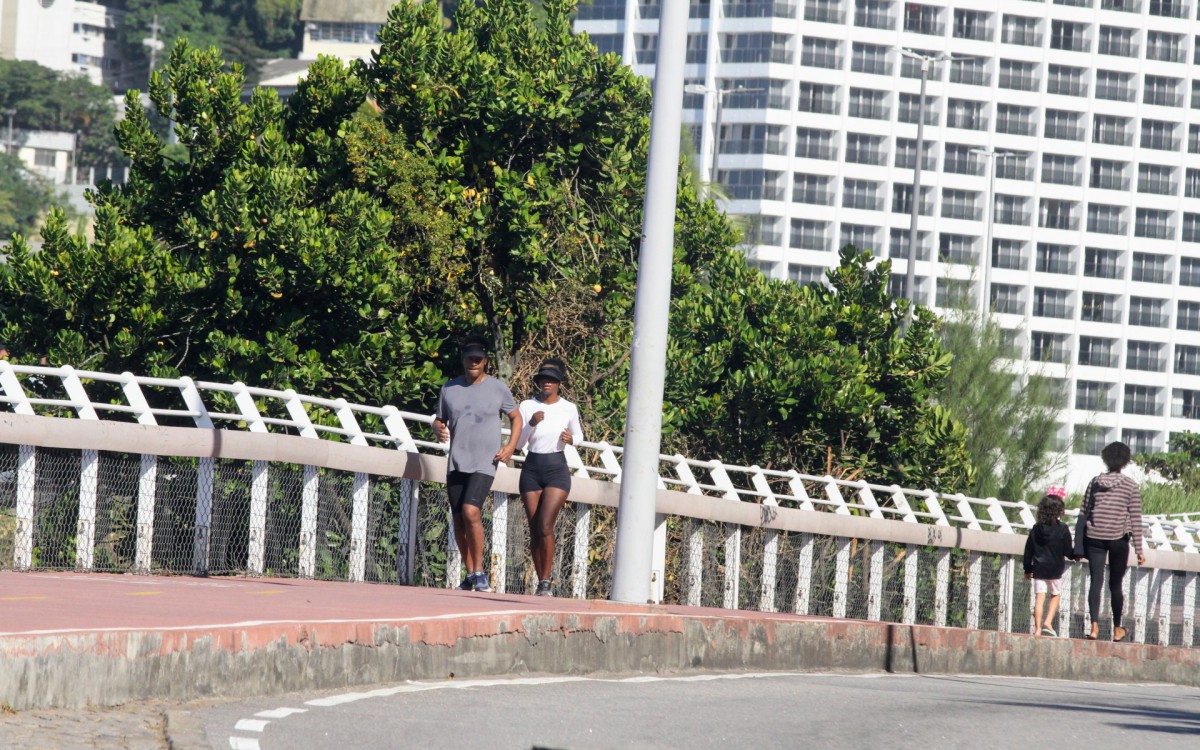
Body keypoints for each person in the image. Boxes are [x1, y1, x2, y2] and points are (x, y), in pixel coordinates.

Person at [433, 335, 523, 593]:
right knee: (459, 518)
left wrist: (510, 447)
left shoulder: (498, 388)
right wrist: (436, 428)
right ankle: (470, 573)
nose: (473, 362)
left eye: (478, 358)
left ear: (485, 361)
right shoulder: (449, 388)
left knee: (472, 511)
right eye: (469, 358)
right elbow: (440, 419)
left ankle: (480, 570)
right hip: (456, 461)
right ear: (462, 360)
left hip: (485, 461)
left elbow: (516, 418)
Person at [516, 358, 583, 596]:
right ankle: (541, 581)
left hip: (557, 468)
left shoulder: (569, 408)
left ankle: (546, 579)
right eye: (544, 378)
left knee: (546, 524)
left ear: (559, 383)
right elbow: (519, 444)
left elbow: (579, 436)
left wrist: (571, 439)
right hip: (532, 467)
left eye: (552, 379)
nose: (547, 383)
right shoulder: (526, 406)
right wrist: (531, 424)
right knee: (535, 528)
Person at [1075, 441, 1145, 642]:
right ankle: (1116, 628)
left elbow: (1082, 514)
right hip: (1118, 539)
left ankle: (1094, 628)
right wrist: (1139, 550)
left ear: (1106, 458)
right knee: (1116, 584)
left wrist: (1078, 546)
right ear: (1125, 461)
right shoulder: (1131, 486)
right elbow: (1135, 518)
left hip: (1094, 537)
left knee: (1096, 582)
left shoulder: (1095, 482)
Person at [1023, 486, 1073, 637]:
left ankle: (1037, 629)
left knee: (1040, 597)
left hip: (1039, 568)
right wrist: (1076, 555)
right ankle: (1048, 623)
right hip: (1055, 569)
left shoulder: (1035, 529)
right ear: (1059, 511)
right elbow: (1067, 551)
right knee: (1055, 595)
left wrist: (1027, 569)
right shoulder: (1063, 529)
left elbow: (1028, 550)